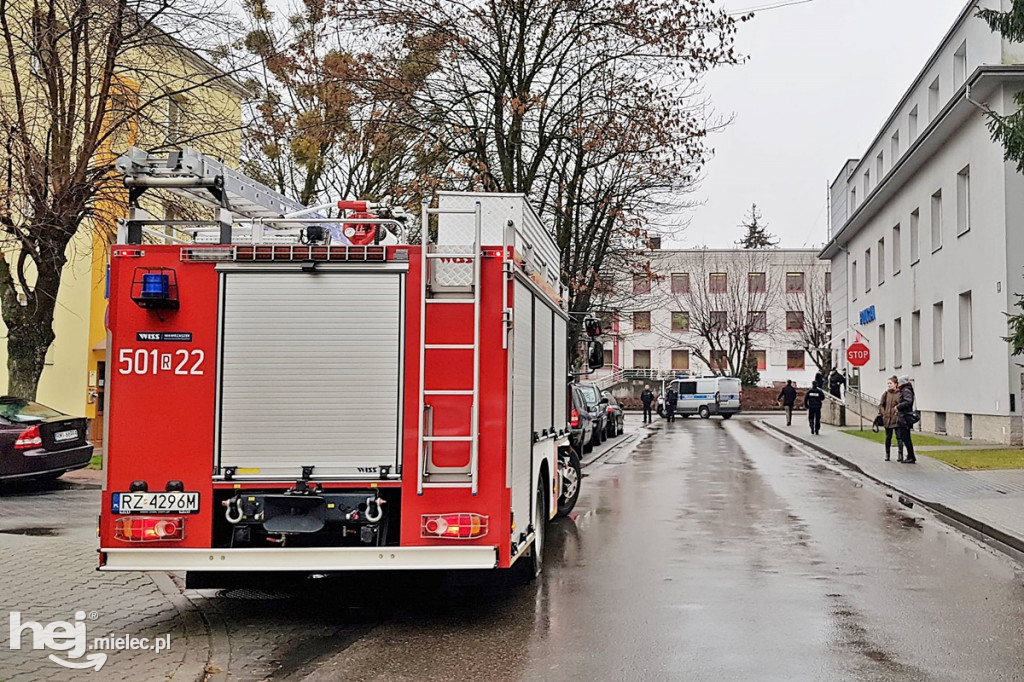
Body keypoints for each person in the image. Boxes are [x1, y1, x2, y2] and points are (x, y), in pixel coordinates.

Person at [878, 376, 903, 462]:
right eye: (888, 383)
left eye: (890, 383)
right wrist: (883, 412)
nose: (889, 385)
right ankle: (887, 454)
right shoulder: (886, 394)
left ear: (895, 384)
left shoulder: (899, 394)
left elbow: (901, 405)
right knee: (888, 437)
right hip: (887, 419)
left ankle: (900, 454)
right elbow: (881, 404)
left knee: (899, 437)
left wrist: (897, 411)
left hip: (896, 419)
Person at [896, 375, 917, 463]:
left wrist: (898, 406)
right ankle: (910, 455)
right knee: (904, 437)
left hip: (905, 417)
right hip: (903, 417)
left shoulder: (906, 390)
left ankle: (911, 456)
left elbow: (908, 401)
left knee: (906, 437)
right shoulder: (905, 389)